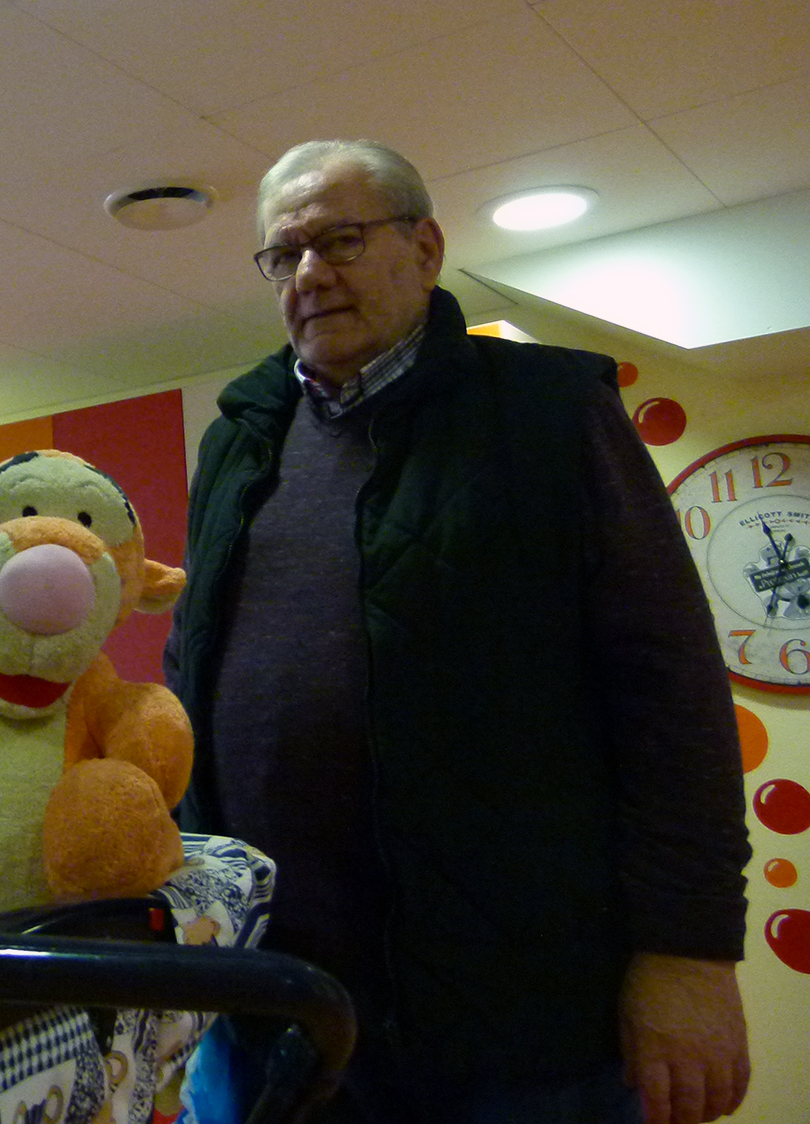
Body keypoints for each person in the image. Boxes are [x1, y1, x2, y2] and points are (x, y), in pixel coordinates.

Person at [166, 140, 750, 1124]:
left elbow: (670, 687)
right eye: (284, 254)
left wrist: (688, 950)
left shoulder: (549, 409)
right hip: (279, 1008)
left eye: (340, 239)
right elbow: (191, 667)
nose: (309, 274)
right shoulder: (240, 439)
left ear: (426, 248)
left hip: (520, 1023)